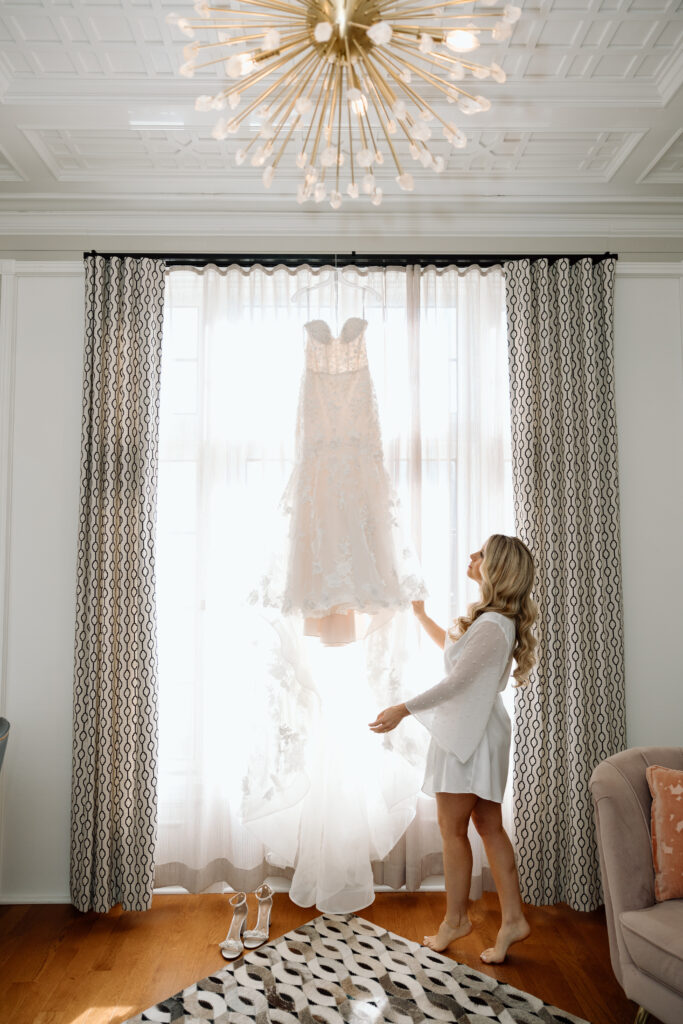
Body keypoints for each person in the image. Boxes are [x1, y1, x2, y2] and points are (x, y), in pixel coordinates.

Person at [368, 534, 538, 963]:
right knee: (487, 826)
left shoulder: (494, 625)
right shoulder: (495, 622)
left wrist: (402, 709)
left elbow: (457, 682)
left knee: (453, 829)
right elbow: (456, 652)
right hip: (481, 729)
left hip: (472, 734)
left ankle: (456, 921)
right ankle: (509, 919)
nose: (472, 556)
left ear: (496, 567)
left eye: (480, 553)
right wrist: (421, 615)